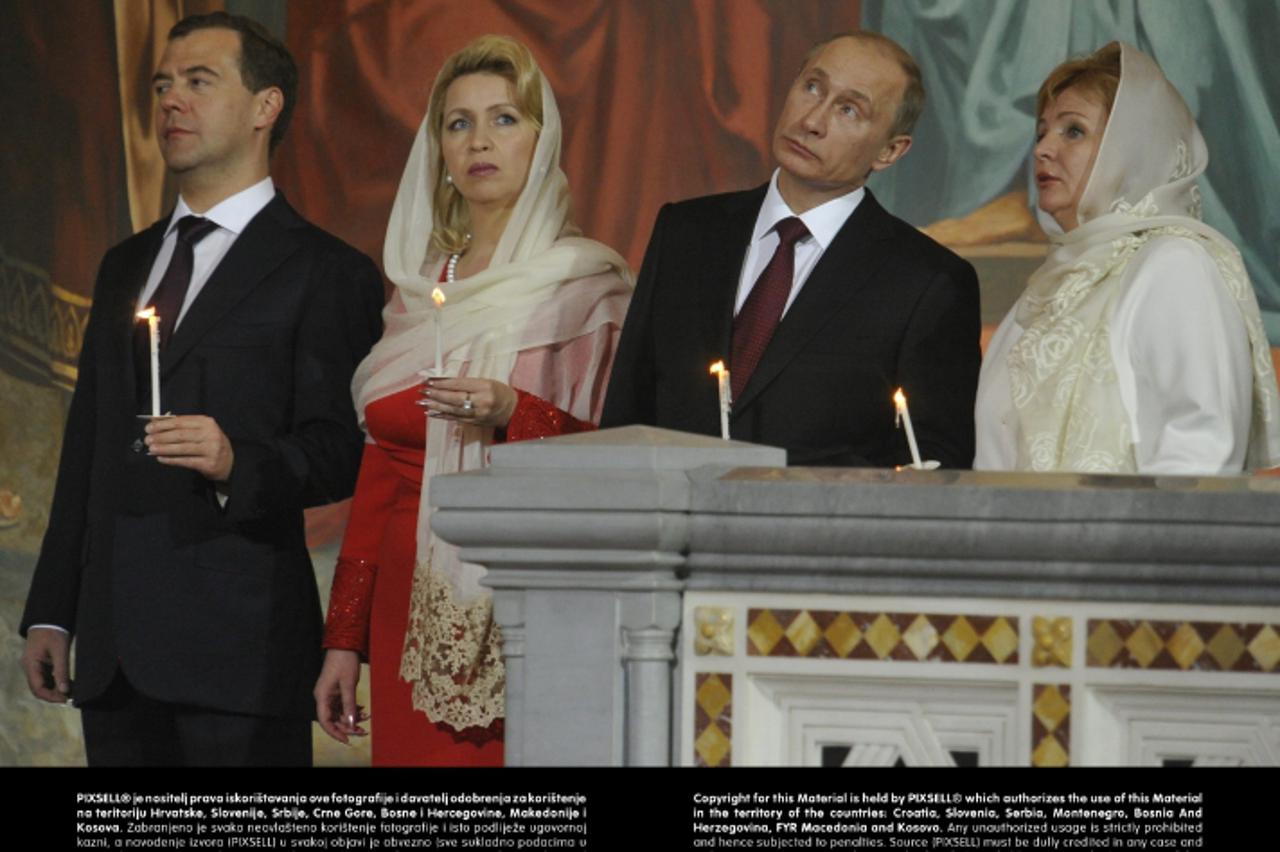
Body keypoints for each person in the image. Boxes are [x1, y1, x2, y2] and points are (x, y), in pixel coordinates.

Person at [18, 12, 384, 765]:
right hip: (114, 657)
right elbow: (85, 445)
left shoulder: (325, 270)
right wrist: (52, 611)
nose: (171, 102)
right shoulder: (125, 264)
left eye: (198, 81)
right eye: (162, 85)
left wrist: (235, 460)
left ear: (265, 106)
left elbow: (341, 450)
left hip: (239, 655)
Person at [312, 35, 631, 766]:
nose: (479, 140)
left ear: (542, 143)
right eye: (458, 123)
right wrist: (343, 640)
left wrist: (512, 414)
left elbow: (615, 459)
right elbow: (380, 479)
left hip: (524, 607)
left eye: (504, 119)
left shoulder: (584, 289)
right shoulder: (417, 289)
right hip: (403, 608)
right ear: (438, 151)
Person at [600, 31, 980, 468]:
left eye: (849, 110)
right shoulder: (685, 233)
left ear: (890, 151)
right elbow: (627, 414)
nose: (812, 120)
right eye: (812, 87)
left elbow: (935, 463)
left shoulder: (927, 282)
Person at [974, 42, 1280, 474]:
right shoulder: (1048, 288)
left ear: (1134, 147)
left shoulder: (1174, 264)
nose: (1043, 149)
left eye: (1073, 131)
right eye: (1041, 132)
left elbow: (1200, 452)